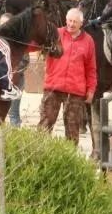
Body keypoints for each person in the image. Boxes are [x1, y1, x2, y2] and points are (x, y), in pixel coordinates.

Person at [39, 8, 97, 143]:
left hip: (75, 91)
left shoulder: (88, 41)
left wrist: (91, 90)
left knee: (72, 129)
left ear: (81, 24)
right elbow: (41, 47)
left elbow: (91, 68)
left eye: (75, 22)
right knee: (45, 125)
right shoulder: (56, 34)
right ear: (66, 20)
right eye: (70, 21)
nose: (71, 24)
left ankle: (70, 160)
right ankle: (39, 157)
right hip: (53, 87)